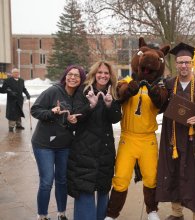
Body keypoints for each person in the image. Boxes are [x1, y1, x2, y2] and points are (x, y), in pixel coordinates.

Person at [104, 38, 169, 220]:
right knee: (121, 177)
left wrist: (155, 92)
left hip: (147, 138)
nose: (147, 69)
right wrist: (129, 89)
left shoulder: (159, 86)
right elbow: (120, 93)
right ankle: (111, 213)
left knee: (151, 176)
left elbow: (162, 101)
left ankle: (152, 210)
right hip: (128, 138)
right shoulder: (126, 80)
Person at [156, 42, 195, 220]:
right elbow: (160, 106)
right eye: (180, 62)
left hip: (194, 139)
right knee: (173, 173)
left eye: (187, 62)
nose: (184, 65)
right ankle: (176, 213)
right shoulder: (169, 84)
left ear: (192, 63)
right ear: (176, 64)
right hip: (172, 138)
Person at [67, 61, 121, 220]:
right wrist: (90, 106)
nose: (103, 75)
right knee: (85, 188)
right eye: (100, 72)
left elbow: (116, 118)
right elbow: (77, 116)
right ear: (94, 74)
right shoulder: (83, 91)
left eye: (106, 73)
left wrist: (110, 105)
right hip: (85, 149)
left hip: (105, 149)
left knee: (104, 188)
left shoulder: (113, 92)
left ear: (110, 76)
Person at [31, 65, 86, 220]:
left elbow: (73, 122)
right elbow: (35, 110)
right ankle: (42, 215)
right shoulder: (53, 91)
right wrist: (51, 112)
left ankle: (61, 213)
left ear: (81, 79)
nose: (73, 78)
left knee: (62, 180)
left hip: (64, 145)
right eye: (70, 74)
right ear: (65, 76)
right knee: (47, 181)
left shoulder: (78, 96)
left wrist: (73, 121)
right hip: (44, 145)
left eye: (77, 75)